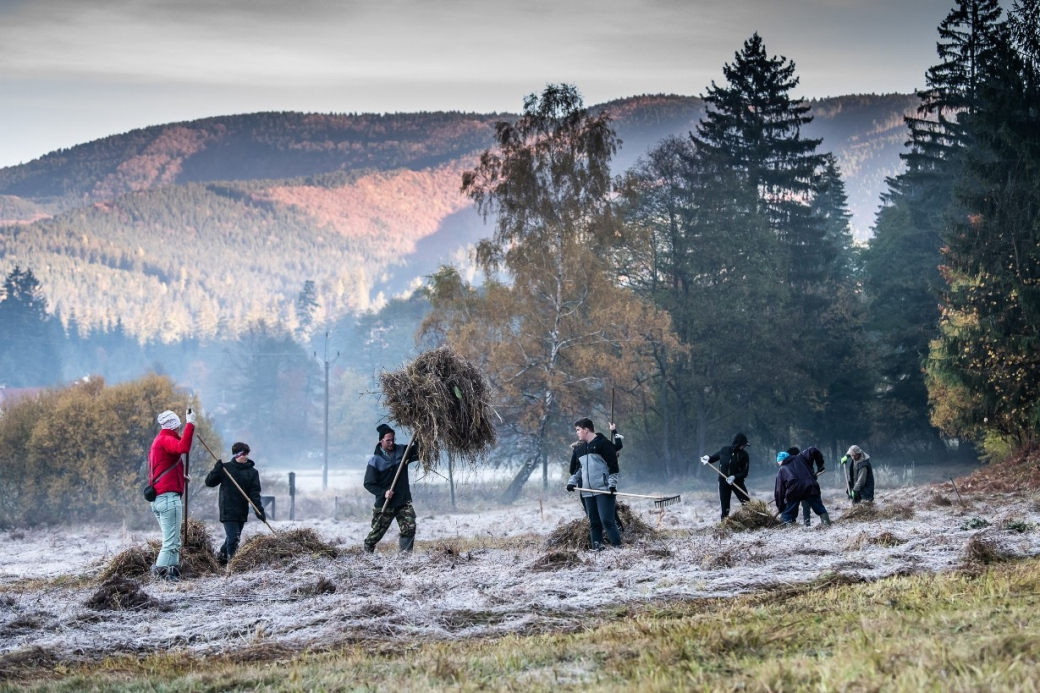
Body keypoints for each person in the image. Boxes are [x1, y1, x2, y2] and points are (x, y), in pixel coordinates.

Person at [148, 407, 195, 581]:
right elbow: (184, 447)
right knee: (169, 543)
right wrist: (191, 424)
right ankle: (160, 575)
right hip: (168, 499)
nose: (180, 428)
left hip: (160, 498)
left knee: (174, 542)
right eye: (180, 425)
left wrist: (180, 478)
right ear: (174, 425)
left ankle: (173, 575)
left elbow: (160, 469)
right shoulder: (166, 439)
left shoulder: (157, 442)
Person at [205, 441, 265, 565]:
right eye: (243, 454)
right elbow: (209, 483)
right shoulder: (225, 469)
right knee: (234, 539)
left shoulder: (253, 473)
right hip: (227, 510)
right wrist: (216, 469)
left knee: (231, 539)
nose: (246, 456)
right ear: (236, 455)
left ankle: (220, 560)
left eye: (247, 454)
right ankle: (232, 566)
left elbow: (254, 494)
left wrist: (259, 510)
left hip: (241, 511)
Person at [363, 423, 421, 553]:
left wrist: (418, 436)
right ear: (381, 441)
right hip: (385, 503)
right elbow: (368, 483)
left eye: (393, 439)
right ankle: (367, 549)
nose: (391, 443)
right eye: (388, 440)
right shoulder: (375, 460)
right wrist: (384, 493)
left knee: (409, 528)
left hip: (403, 500)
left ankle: (405, 556)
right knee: (377, 533)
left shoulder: (402, 451)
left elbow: (419, 451)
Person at [566, 418, 621, 550]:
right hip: (587, 492)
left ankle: (618, 550)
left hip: (603, 490)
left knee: (607, 521)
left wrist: (612, 485)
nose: (577, 433)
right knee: (594, 523)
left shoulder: (603, 444)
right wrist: (572, 482)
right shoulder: (580, 448)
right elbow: (579, 469)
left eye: (578, 430)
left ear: (586, 430)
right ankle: (597, 550)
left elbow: (613, 466)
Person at [701, 432, 751, 520]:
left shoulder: (744, 455)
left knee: (747, 503)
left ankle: (750, 521)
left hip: (737, 482)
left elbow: (745, 472)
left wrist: (734, 477)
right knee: (725, 508)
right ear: (738, 443)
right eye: (743, 444)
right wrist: (707, 458)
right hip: (723, 482)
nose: (744, 447)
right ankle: (724, 525)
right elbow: (713, 458)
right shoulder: (724, 450)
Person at [775, 450, 831, 526]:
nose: (779, 464)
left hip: (794, 490)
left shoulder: (782, 469)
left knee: (789, 512)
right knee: (819, 507)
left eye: (778, 462)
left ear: (781, 460)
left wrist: (781, 507)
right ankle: (827, 525)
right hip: (810, 486)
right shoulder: (801, 458)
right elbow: (813, 449)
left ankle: (789, 528)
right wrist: (820, 465)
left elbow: (779, 491)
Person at [787, 445, 825, 527]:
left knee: (806, 505)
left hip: (804, 487)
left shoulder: (795, 462)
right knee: (807, 506)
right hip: (808, 486)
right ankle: (808, 523)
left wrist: (820, 465)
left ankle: (806, 524)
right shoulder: (802, 460)